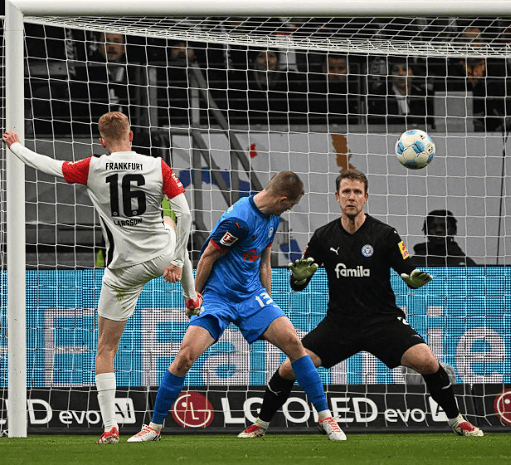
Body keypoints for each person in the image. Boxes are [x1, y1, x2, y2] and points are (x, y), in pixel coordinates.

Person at [2, 111, 202, 444]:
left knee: (106, 348)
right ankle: (192, 297)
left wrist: (16, 146)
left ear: (102, 141)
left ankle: (110, 426)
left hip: (123, 271)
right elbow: (185, 214)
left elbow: (48, 165)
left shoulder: (93, 166)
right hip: (162, 258)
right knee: (170, 224)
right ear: (131, 135)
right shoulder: (157, 166)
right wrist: (178, 261)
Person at [238, 169, 483, 439]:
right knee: (289, 367)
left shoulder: (385, 234)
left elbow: (407, 271)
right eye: (346, 192)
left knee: (427, 361)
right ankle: (260, 424)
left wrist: (414, 279)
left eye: (357, 192)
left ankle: (457, 420)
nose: (351, 197)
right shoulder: (323, 236)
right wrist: (298, 278)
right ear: (337, 197)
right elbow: (298, 284)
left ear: (366, 197)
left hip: (383, 322)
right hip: (340, 324)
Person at [128, 171, 346, 442]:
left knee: (293, 343)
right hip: (218, 298)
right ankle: (154, 427)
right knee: (185, 357)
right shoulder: (239, 220)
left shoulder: (272, 218)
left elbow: (264, 263)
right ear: (282, 199)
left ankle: (325, 418)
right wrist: (195, 295)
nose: (289, 209)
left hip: (251, 296)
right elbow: (207, 256)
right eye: (290, 204)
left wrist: (268, 302)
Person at [368, 61, 431, 127]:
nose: (401, 74)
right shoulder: (380, 95)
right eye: (396, 70)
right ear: (391, 75)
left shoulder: (422, 95)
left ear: (412, 74)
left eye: (405, 70)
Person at [412, 210, 477, 267]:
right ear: (426, 231)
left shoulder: (465, 263)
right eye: (433, 227)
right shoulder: (415, 261)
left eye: (444, 226)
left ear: (453, 230)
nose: (438, 230)